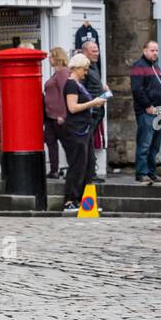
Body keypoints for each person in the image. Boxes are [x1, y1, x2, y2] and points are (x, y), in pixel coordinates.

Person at [61, 53, 106, 212]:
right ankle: (70, 201)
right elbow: (72, 107)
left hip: (84, 129)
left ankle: (84, 201)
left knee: (88, 165)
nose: (86, 73)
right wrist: (93, 102)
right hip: (76, 130)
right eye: (84, 69)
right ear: (77, 68)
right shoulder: (71, 84)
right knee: (77, 165)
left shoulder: (79, 84)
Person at [131, 40, 161, 186]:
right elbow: (137, 89)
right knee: (145, 143)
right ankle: (141, 173)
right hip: (147, 111)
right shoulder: (139, 66)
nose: (155, 53)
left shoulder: (155, 66)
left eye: (157, 50)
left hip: (159, 111)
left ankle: (151, 172)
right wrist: (147, 105)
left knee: (155, 145)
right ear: (144, 50)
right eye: (152, 50)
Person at [81, 39, 108, 182]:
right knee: (87, 143)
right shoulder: (83, 68)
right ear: (85, 52)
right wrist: (92, 103)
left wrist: (102, 90)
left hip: (98, 111)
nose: (97, 53)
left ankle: (91, 174)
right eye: (93, 51)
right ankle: (89, 175)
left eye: (97, 50)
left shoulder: (94, 66)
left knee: (90, 142)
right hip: (90, 112)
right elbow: (82, 91)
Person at [43, 47, 70, 179]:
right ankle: (54, 170)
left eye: (51, 56)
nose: (49, 59)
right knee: (50, 142)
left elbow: (65, 94)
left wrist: (63, 115)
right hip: (49, 116)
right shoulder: (56, 73)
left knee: (66, 143)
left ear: (57, 57)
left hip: (58, 116)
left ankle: (72, 169)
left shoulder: (63, 73)